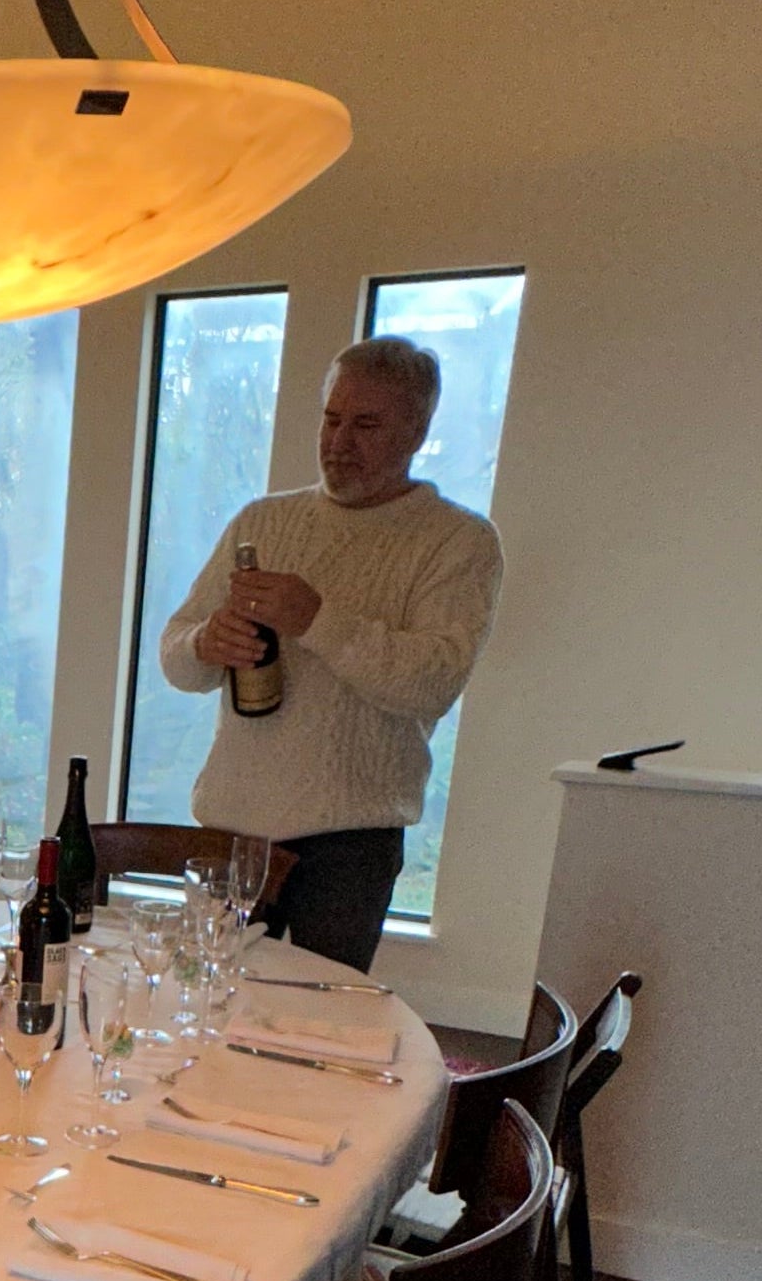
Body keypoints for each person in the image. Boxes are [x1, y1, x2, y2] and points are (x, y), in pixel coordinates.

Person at [157, 336, 504, 968]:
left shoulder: (459, 542)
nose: (339, 441)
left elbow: (433, 683)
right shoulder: (260, 521)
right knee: (201, 1004)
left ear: (417, 431)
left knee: (322, 1032)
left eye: (367, 424)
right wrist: (205, 643)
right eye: (331, 417)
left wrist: (316, 619)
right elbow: (177, 656)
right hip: (233, 825)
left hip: (352, 843)